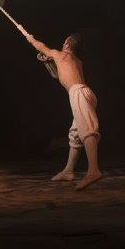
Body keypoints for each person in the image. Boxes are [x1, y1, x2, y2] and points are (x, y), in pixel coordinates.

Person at [24, 32, 102, 190]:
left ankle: (93, 171)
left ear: (67, 44)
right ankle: (68, 171)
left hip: (78, 92)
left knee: (87, 130)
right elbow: (63, 72)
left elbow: (42, 47)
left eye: (64, 42)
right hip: (87, 92)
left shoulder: (60, 54)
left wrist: (31, 39)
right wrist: (50, 62)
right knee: (75, 133)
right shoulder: (78, 61)